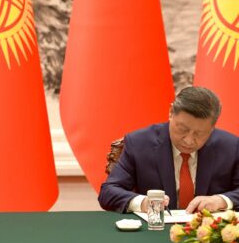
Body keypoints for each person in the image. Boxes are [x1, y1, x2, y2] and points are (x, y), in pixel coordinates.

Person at [98, 86, 239, 214]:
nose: (189, 140)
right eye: (182, 129)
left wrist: (222, 200)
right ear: (171, 112)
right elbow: (108, 192)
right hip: (155, 229)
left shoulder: (231, 147)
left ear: (212, 127)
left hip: (207, 230)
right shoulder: (139, 143)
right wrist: (142, 203)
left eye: (199, 133)